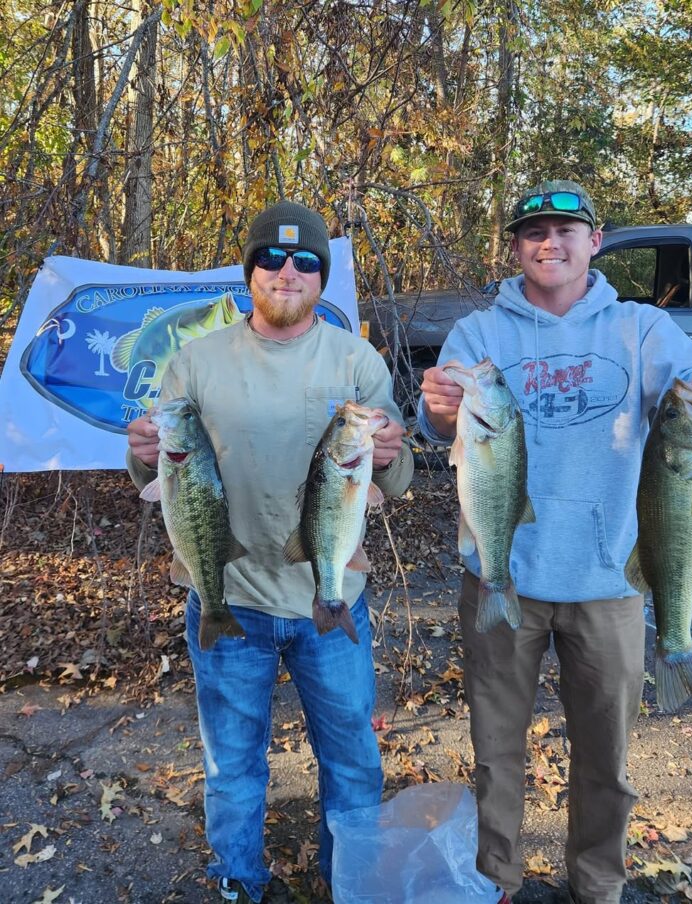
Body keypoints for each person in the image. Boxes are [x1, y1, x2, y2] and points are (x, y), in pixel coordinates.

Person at [417, 180, 692, 904]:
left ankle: (598, 882)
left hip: (612, 583)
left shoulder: (639, 327)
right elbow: (443, 423)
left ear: (595, 241)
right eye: (535, 230)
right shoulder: (481, 334)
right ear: (516, 246)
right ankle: (495, 881)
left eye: (567, 231)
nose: (551, 242)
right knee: (496, 752)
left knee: (606, 759)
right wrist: (440, 409)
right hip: (502, 572)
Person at [127, 200, 414, 904]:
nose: (288, 272)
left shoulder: (357, 361)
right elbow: (157, 476)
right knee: (232, 765)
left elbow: (395, 478)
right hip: (229, 601)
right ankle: (238, 882)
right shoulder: (193, 363)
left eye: (307, 261)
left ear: (323, 275)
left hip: (332, 596)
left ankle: (346, 879)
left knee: (351, 758)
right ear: (248, 269)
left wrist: (386, 454)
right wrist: (139, 456)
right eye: (271, 259)